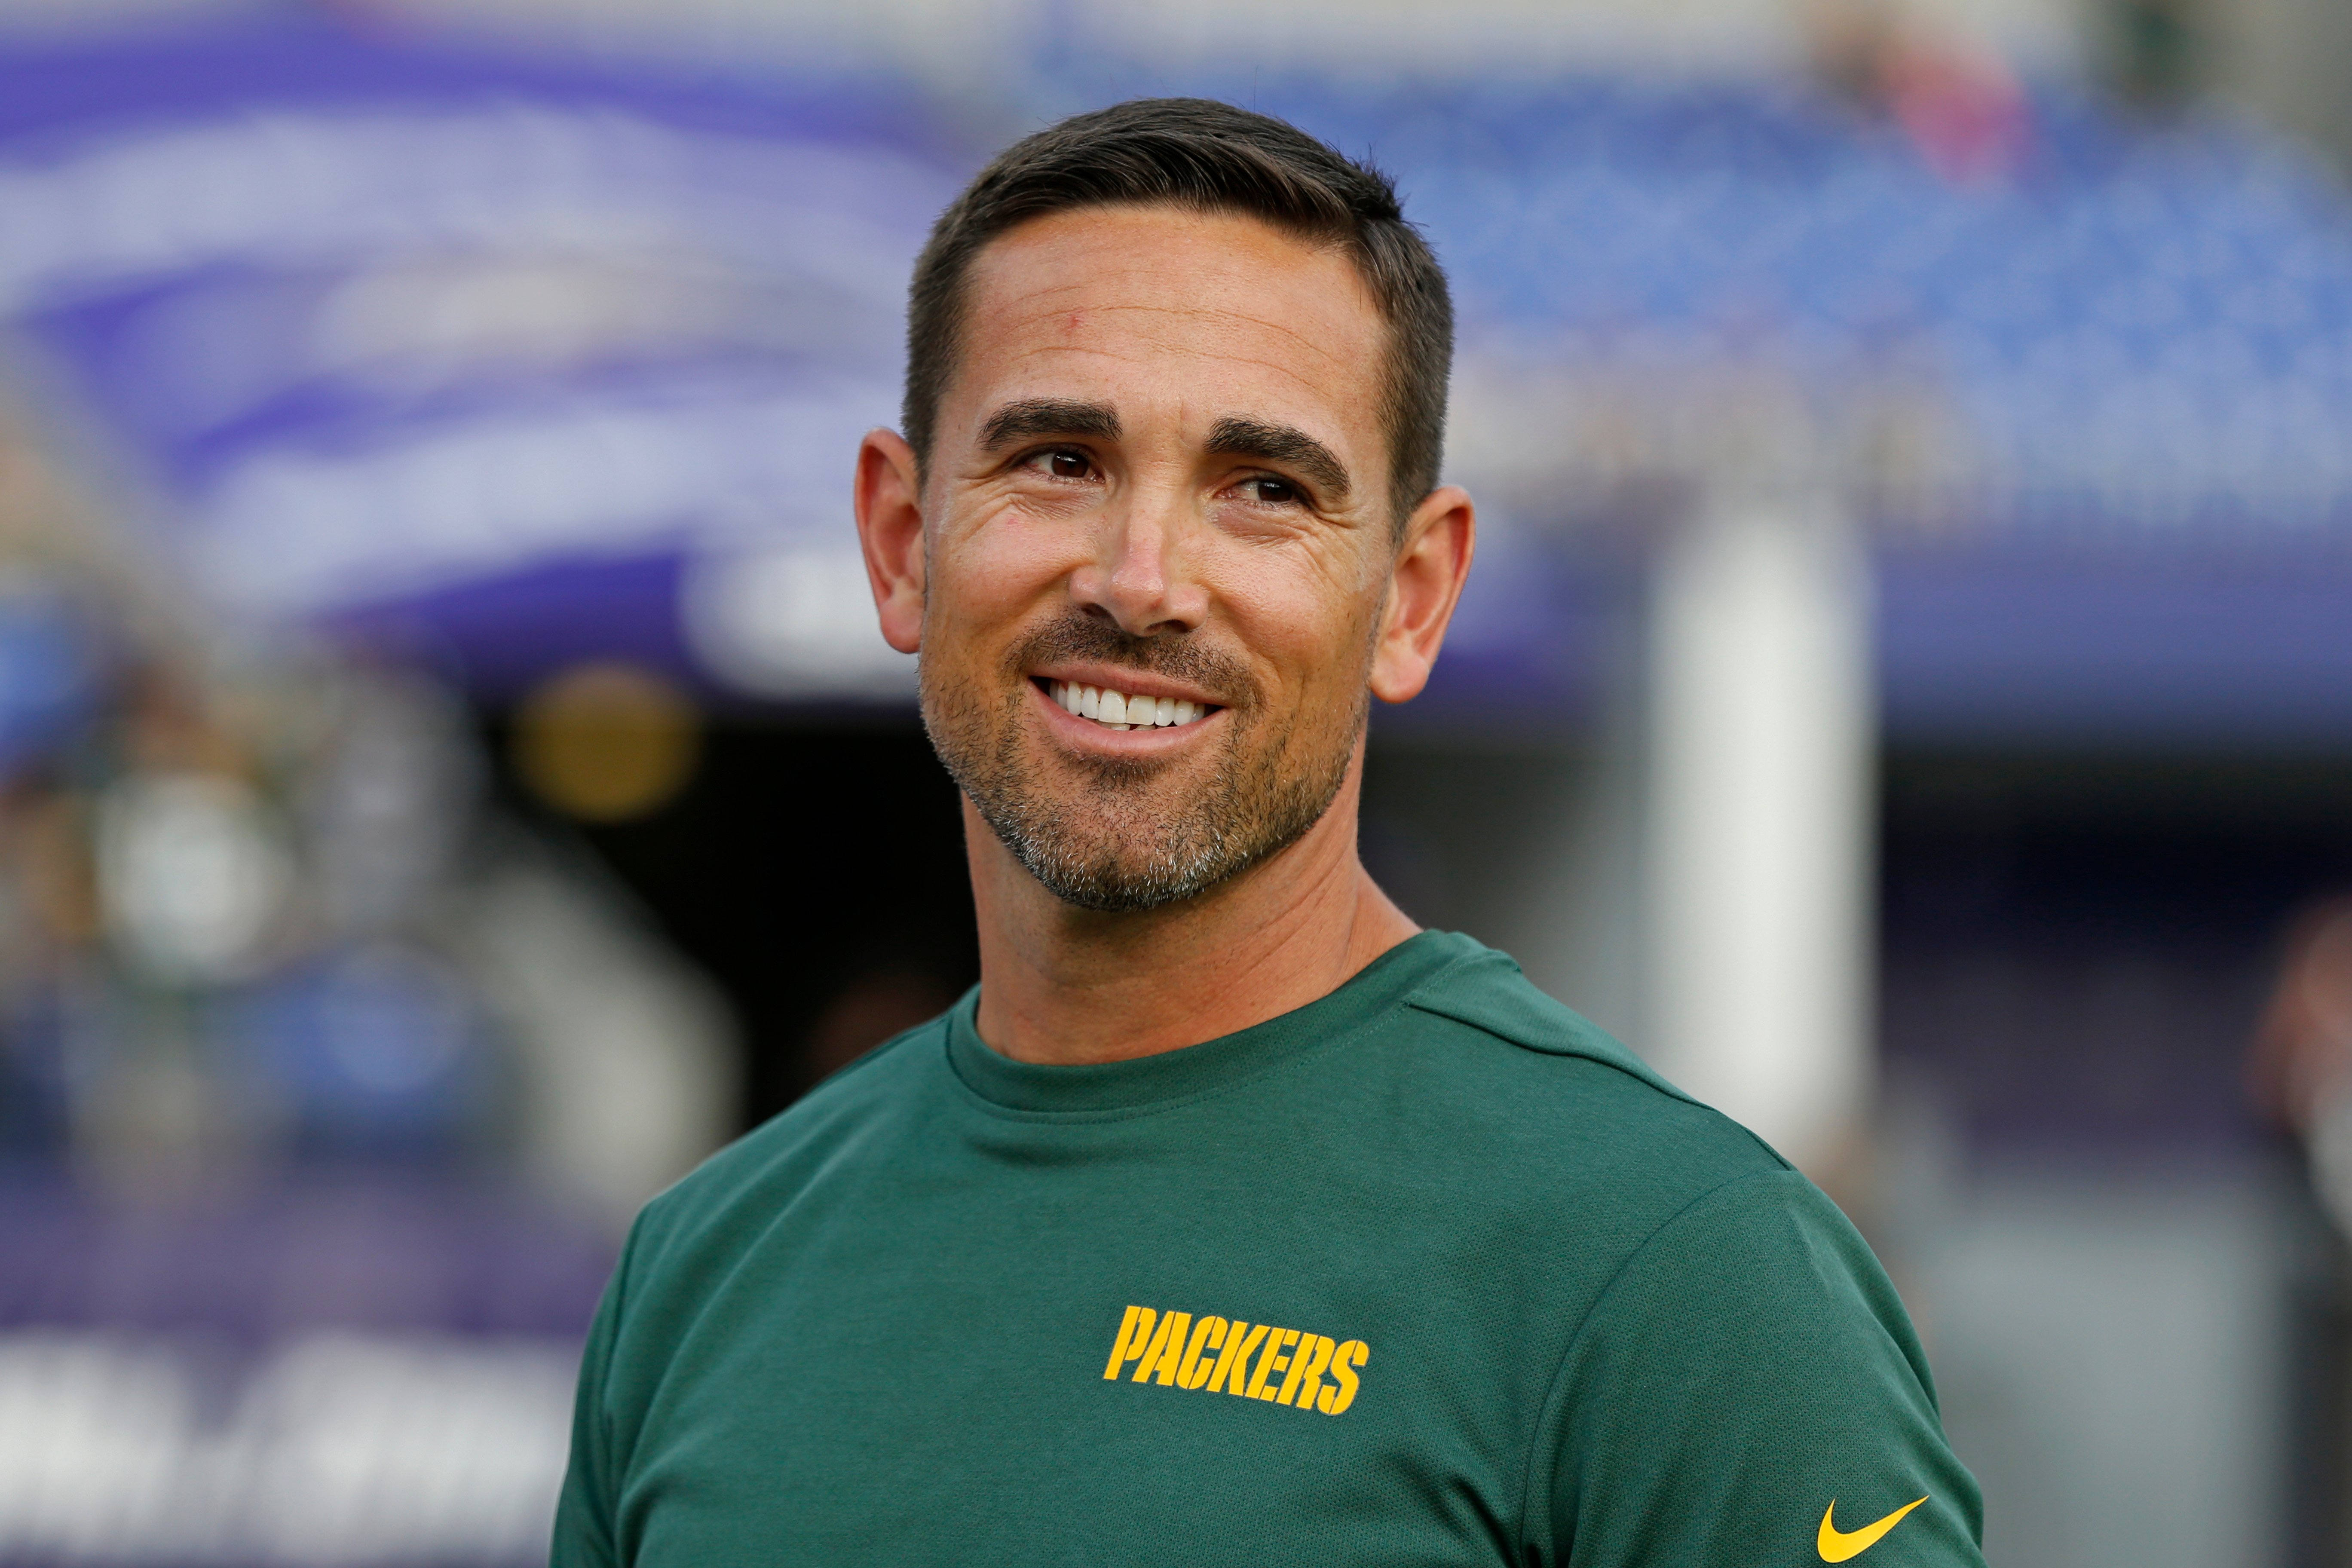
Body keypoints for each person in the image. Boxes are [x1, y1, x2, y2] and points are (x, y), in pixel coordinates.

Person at [551, 98, 1985, 1566]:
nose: (1142, 580)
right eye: (1059, 459)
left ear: (1413, 597)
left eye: (1265, 490)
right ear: (903, 540)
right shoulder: (701, 1272)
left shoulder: (1679, 1268)